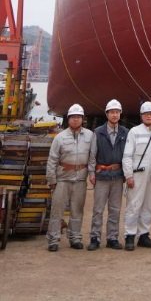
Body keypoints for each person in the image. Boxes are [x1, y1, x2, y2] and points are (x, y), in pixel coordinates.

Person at [45, 103, 93, 251]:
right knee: (57, 211)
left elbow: (92, 158)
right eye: (73, 117)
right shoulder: (60, 137)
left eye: (78, 117)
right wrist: (52, 180)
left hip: (80, 180)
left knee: (77, 210)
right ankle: (53, 240)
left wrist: (92, 174)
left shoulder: (90, 136)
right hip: (62, 180)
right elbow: (52, 159)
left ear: (82, 119)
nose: (76, 119)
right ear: (68, 119)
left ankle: (75, 238)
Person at [87, 98, 128, 250]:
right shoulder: (98, 132)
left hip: (117, 176)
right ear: (107, 114)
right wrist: (91, 173)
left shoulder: (125, 132)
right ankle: (95, 238)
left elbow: (128, 155)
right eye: (112, 112)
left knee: (115, 209)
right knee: (98, 209)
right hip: (102, 175)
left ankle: (112, 238)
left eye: (117, 112)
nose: (115, 115)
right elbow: (92, 155)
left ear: (120, 114)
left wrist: (126, 173)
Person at [122, 100, 151, 250]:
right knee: (133, 205)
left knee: (148, 206)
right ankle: (130, 235)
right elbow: (127, 156)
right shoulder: (134, 132)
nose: (148, 116)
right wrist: (128, 175)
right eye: (146, 114)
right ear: (141, 116)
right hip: (137, 174)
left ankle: (144, 235)